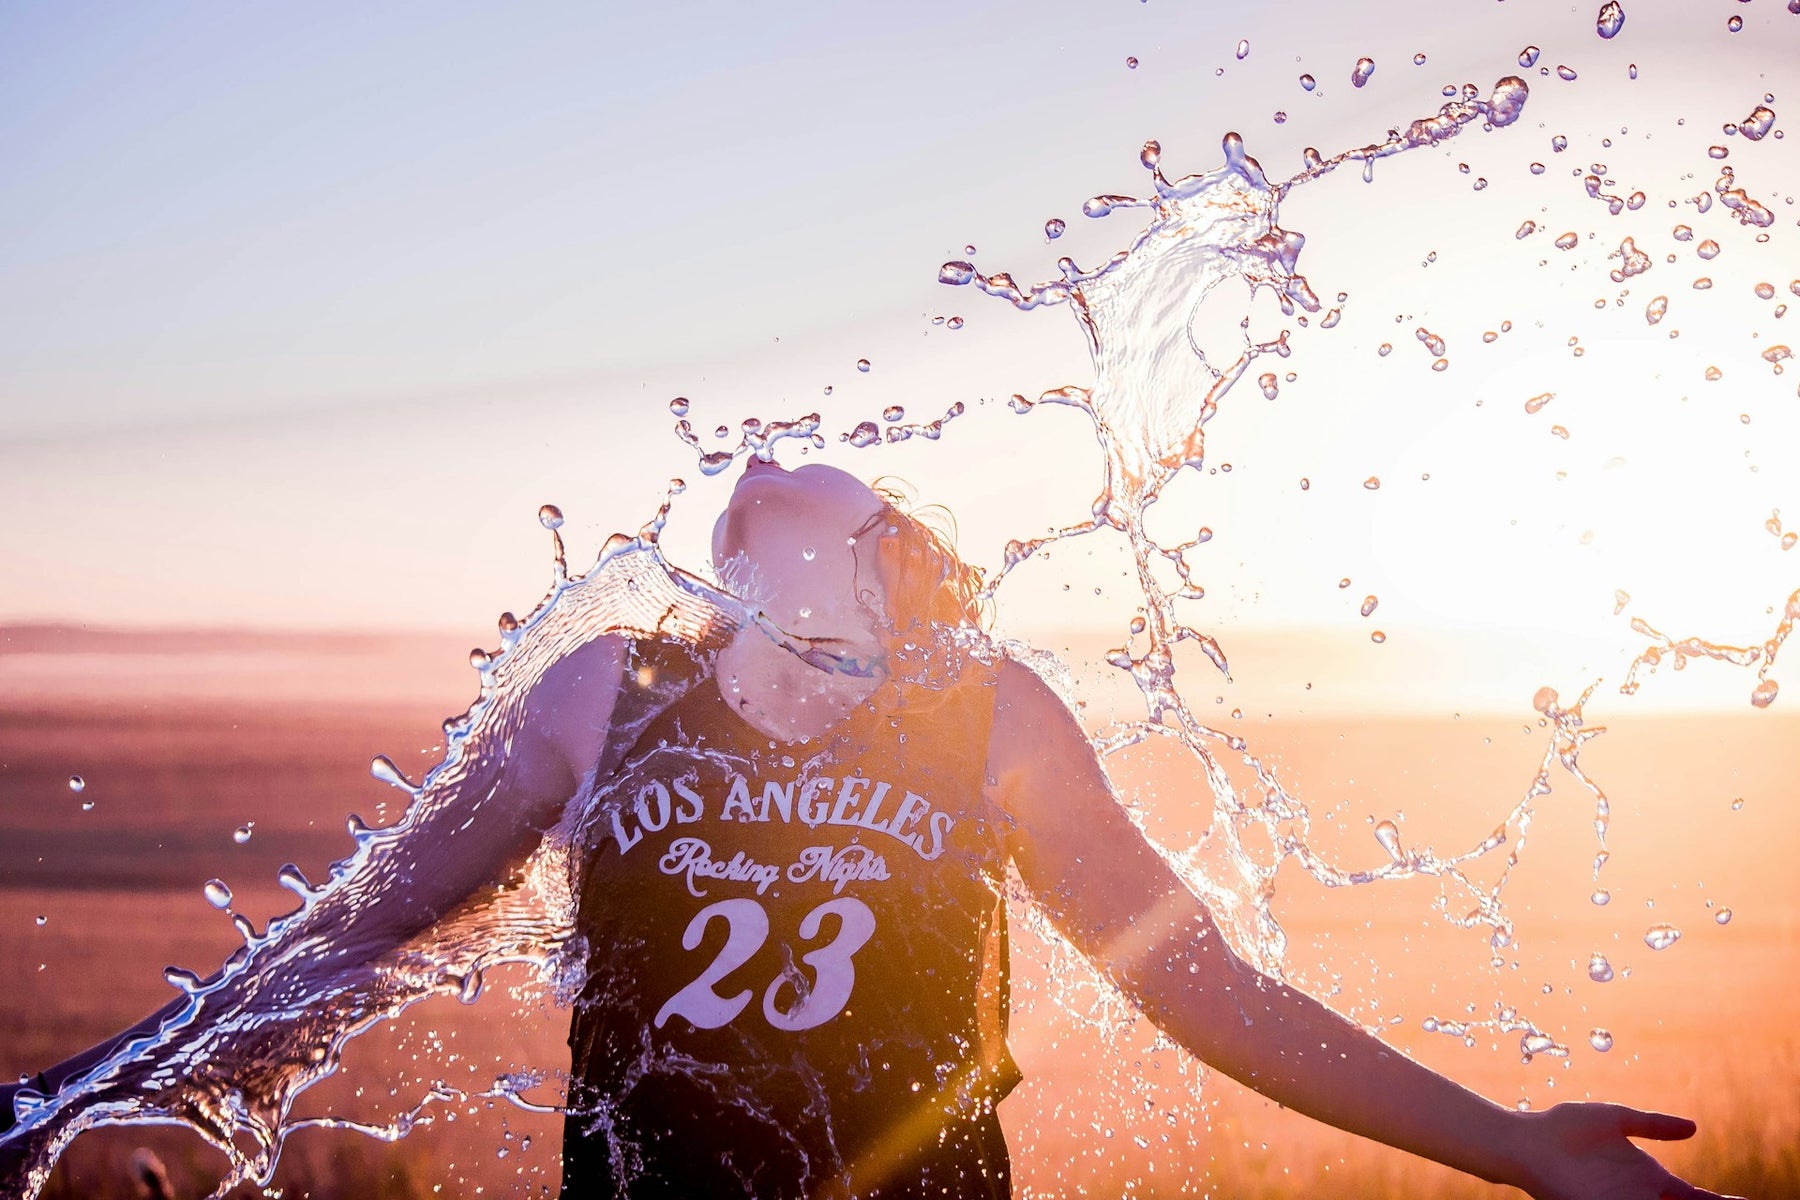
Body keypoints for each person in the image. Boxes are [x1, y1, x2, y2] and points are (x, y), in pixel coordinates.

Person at [3, 456, 1736, 1200]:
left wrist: (1513, 1144)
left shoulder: (982, 719)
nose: (779, 484)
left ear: (899, 562)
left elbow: (1202, 985)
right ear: (727, 560)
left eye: (845, 497)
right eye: (754, 489)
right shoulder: (605, 691)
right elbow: (352, 937)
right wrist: (58, 1102)